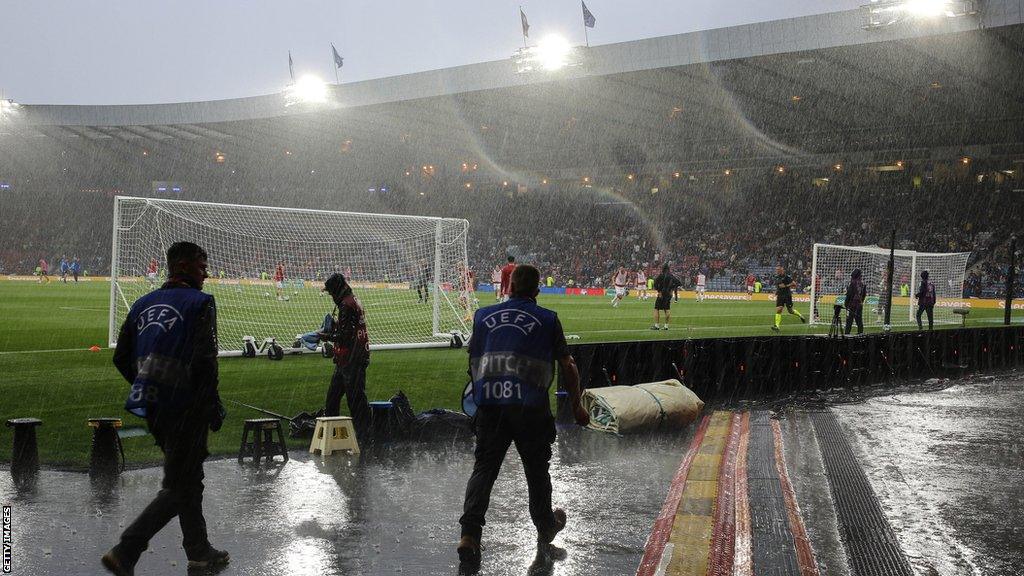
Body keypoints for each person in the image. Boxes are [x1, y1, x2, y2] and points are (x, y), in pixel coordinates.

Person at [102, 241, 228, 576]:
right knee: (179, 487)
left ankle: (199, 550)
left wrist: (147, 381)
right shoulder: (200, 303)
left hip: (155, 408)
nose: (206, 273)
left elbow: (121, 357)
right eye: (202, 266)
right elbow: (205, 361)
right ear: (184, 266)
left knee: (188, 477)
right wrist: (211, 404)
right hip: (187, 408)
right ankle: (126, 549)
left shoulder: (143, 303)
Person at [457, 264, 589, 566]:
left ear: (509, 287)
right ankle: (545, 526)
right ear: (537, 291)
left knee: (485, 469)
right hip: (530, 408)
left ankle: (469, 535)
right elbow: (568, 365)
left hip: (491, 406)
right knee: (536, 472)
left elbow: (474, 360)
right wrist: (577, 406)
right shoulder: (547, 320)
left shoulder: (483, 317)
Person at [321, 273, 372, 439]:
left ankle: (364, 436)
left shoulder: (346, 305)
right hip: (351, 358)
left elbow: (345, 336)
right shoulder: (351, 300)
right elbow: (349, 330)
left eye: (330, 292)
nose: (330, 296)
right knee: (336, 399)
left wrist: (323, 336)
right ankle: (336, 435)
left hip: (352, 359)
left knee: (353, 400)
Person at [771, 265, 805, 331]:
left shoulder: (787, 277)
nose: (777, 271)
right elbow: (779, 286)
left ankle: (800, 316)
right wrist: (776, 293)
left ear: (782, 270)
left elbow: (794, 284)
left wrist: (786, 286)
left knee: (790, 311)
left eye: (778, 269)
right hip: (780, 295)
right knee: (779, 309)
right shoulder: (776, 277)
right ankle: (777, 326)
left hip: (787, 295)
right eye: (776, 269)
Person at [652, 264, 682, 330]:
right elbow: (679, 283)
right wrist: (672, 289)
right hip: (668, 295)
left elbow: (655, 283)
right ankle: (666, 326)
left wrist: (659, 291)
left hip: (661, 294)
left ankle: (657, 326)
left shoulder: (661, 275)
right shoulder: (671, 276)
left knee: (656, 309)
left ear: (663, 269)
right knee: (667, 309)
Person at [844, 268, 866, 335]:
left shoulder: (852, 283)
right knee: (859, 321)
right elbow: (864, 295)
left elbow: (849, 295)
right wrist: (861, 302)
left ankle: (847, 335)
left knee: (849, 321)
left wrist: (846, 304)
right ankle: (860, 334)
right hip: (859, 305)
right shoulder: (862, 284)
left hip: (852, 305)